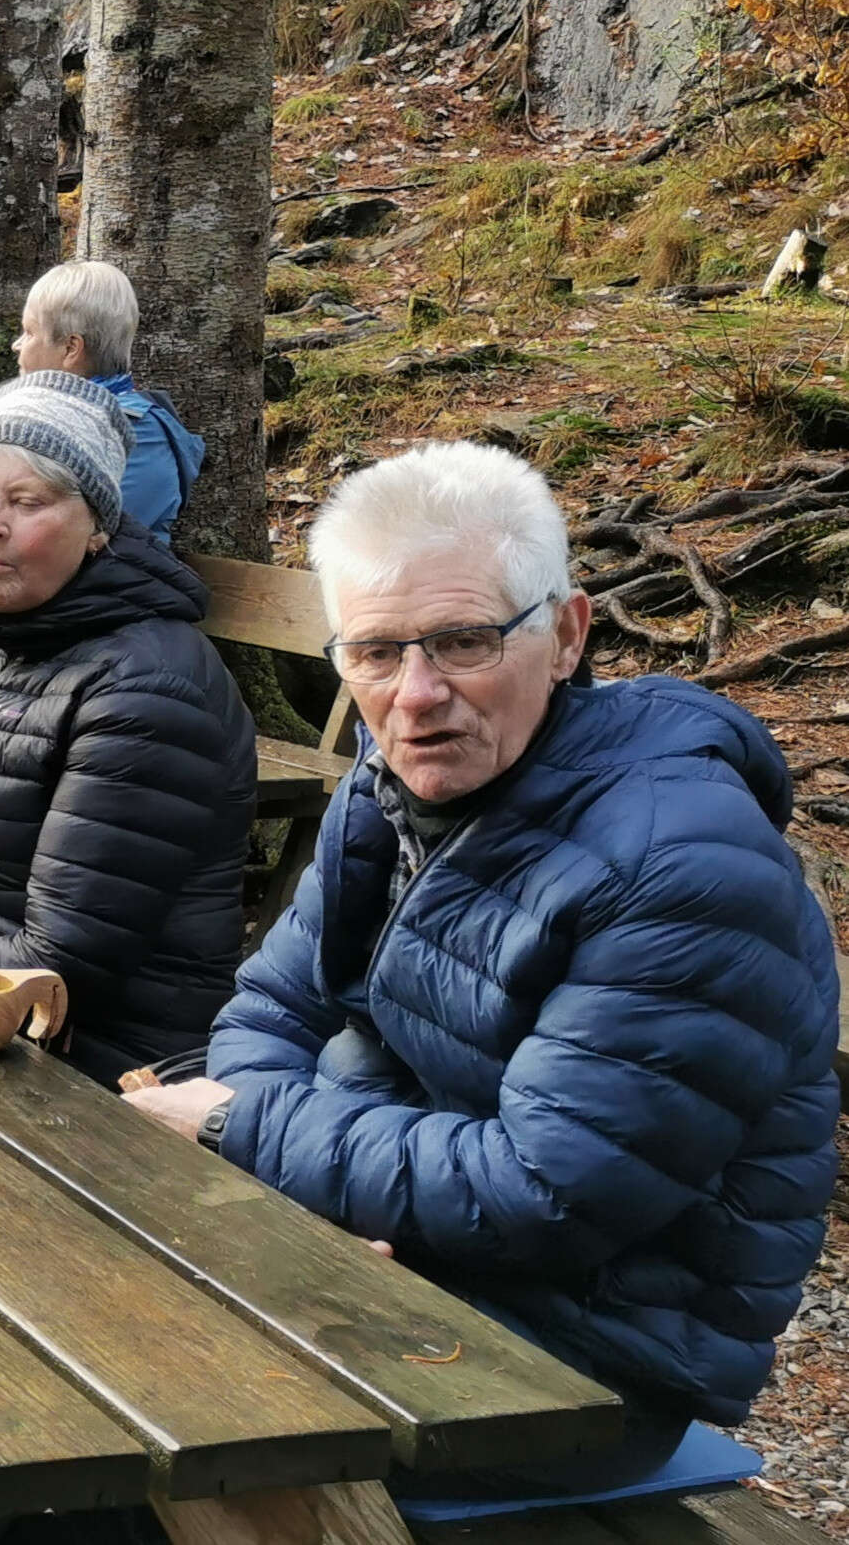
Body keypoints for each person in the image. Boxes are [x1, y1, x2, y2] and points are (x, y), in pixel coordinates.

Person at [127, 443, 837, 1497]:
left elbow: (545, 1190)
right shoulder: (392, 787)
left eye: (463, 642)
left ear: (565, 635)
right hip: (398, 1253)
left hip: (583, 1358)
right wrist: (323, 1194)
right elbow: (272, 1005)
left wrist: (246, 1128)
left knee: (112, 1412)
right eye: (374, 652)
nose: (415, 695)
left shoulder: (681, 863)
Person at [0, 371, 256, 1086]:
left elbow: (65, 953)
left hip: (84, 1063)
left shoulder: (149, 687)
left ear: (97, 527)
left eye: (26, 502)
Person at [0, 259, 204, 621]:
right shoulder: (27, 423)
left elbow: (40, 556)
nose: (16, 345)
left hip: (67, 617)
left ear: (71, 348)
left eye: (29, 332)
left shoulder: (136, 439)